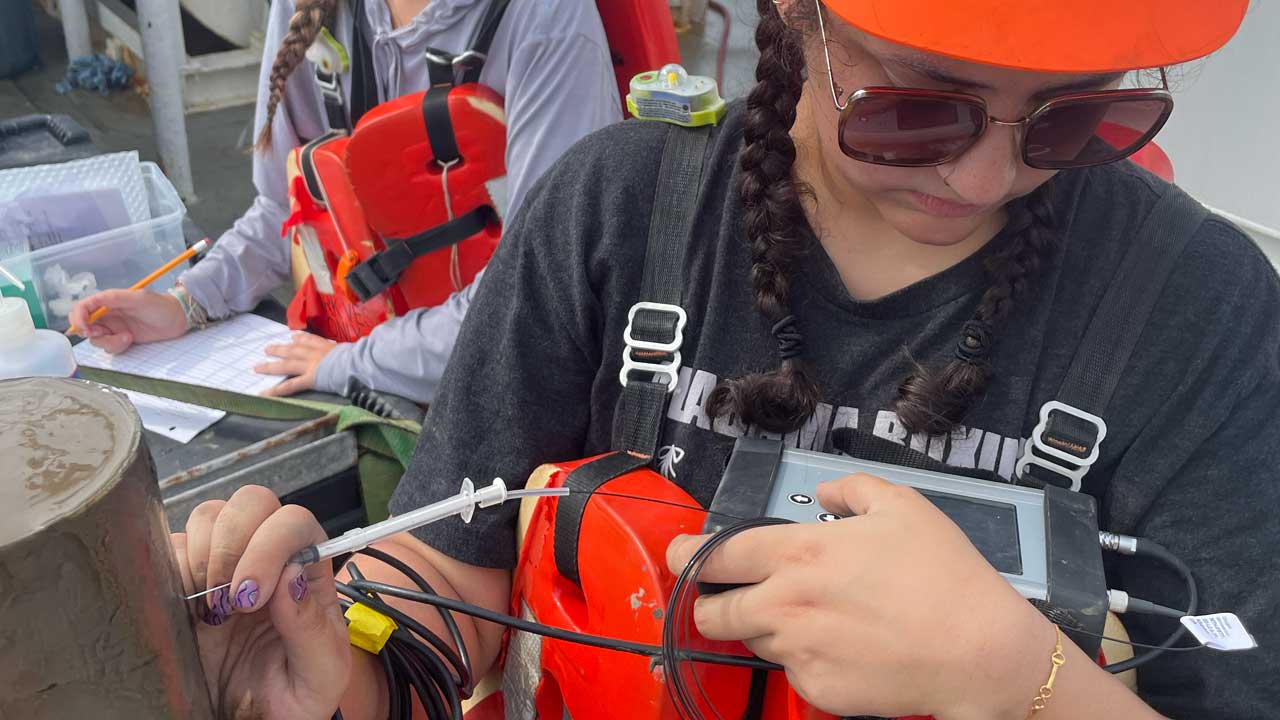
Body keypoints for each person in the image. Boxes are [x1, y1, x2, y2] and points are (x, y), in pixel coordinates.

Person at [169, 0, 1278, 718]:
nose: (985, 180)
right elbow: (457, 568)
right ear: (795, 17)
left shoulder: (1200, 307)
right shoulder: (614, 213)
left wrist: (1022, 684)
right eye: (913, 112)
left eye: (1070, 119)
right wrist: (328, 677)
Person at [68, 0, 620, 402]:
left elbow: (541, 296)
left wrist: (354, 364)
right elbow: (287, 210)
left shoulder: (548, 21)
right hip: (368, 356)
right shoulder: (312, 10)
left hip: (512, 388)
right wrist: (186, 304)